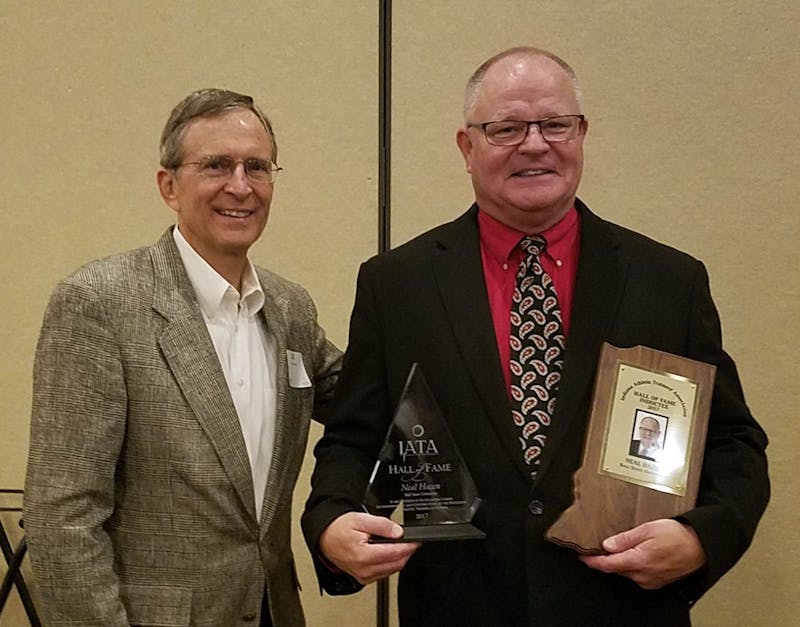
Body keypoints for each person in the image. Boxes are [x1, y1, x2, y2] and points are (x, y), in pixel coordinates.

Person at [302, 47, 769, 626]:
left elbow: (732, 444)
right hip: (457, 611)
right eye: (506, 128)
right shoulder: (397, 285)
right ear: (466, 146)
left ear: (581, 134)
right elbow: (354, 439)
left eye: (555, 124)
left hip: (622, 609)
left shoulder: (668, 281)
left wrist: (702, 539)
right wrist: (330, 522)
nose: (535, 144)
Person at [24, 88, 342, 626]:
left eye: (257, 167)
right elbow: (63, 518)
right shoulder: (100, 302)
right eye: (216, 165)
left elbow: (365, 399)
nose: (240, 186)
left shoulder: (290, 309)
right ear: (168, 185)